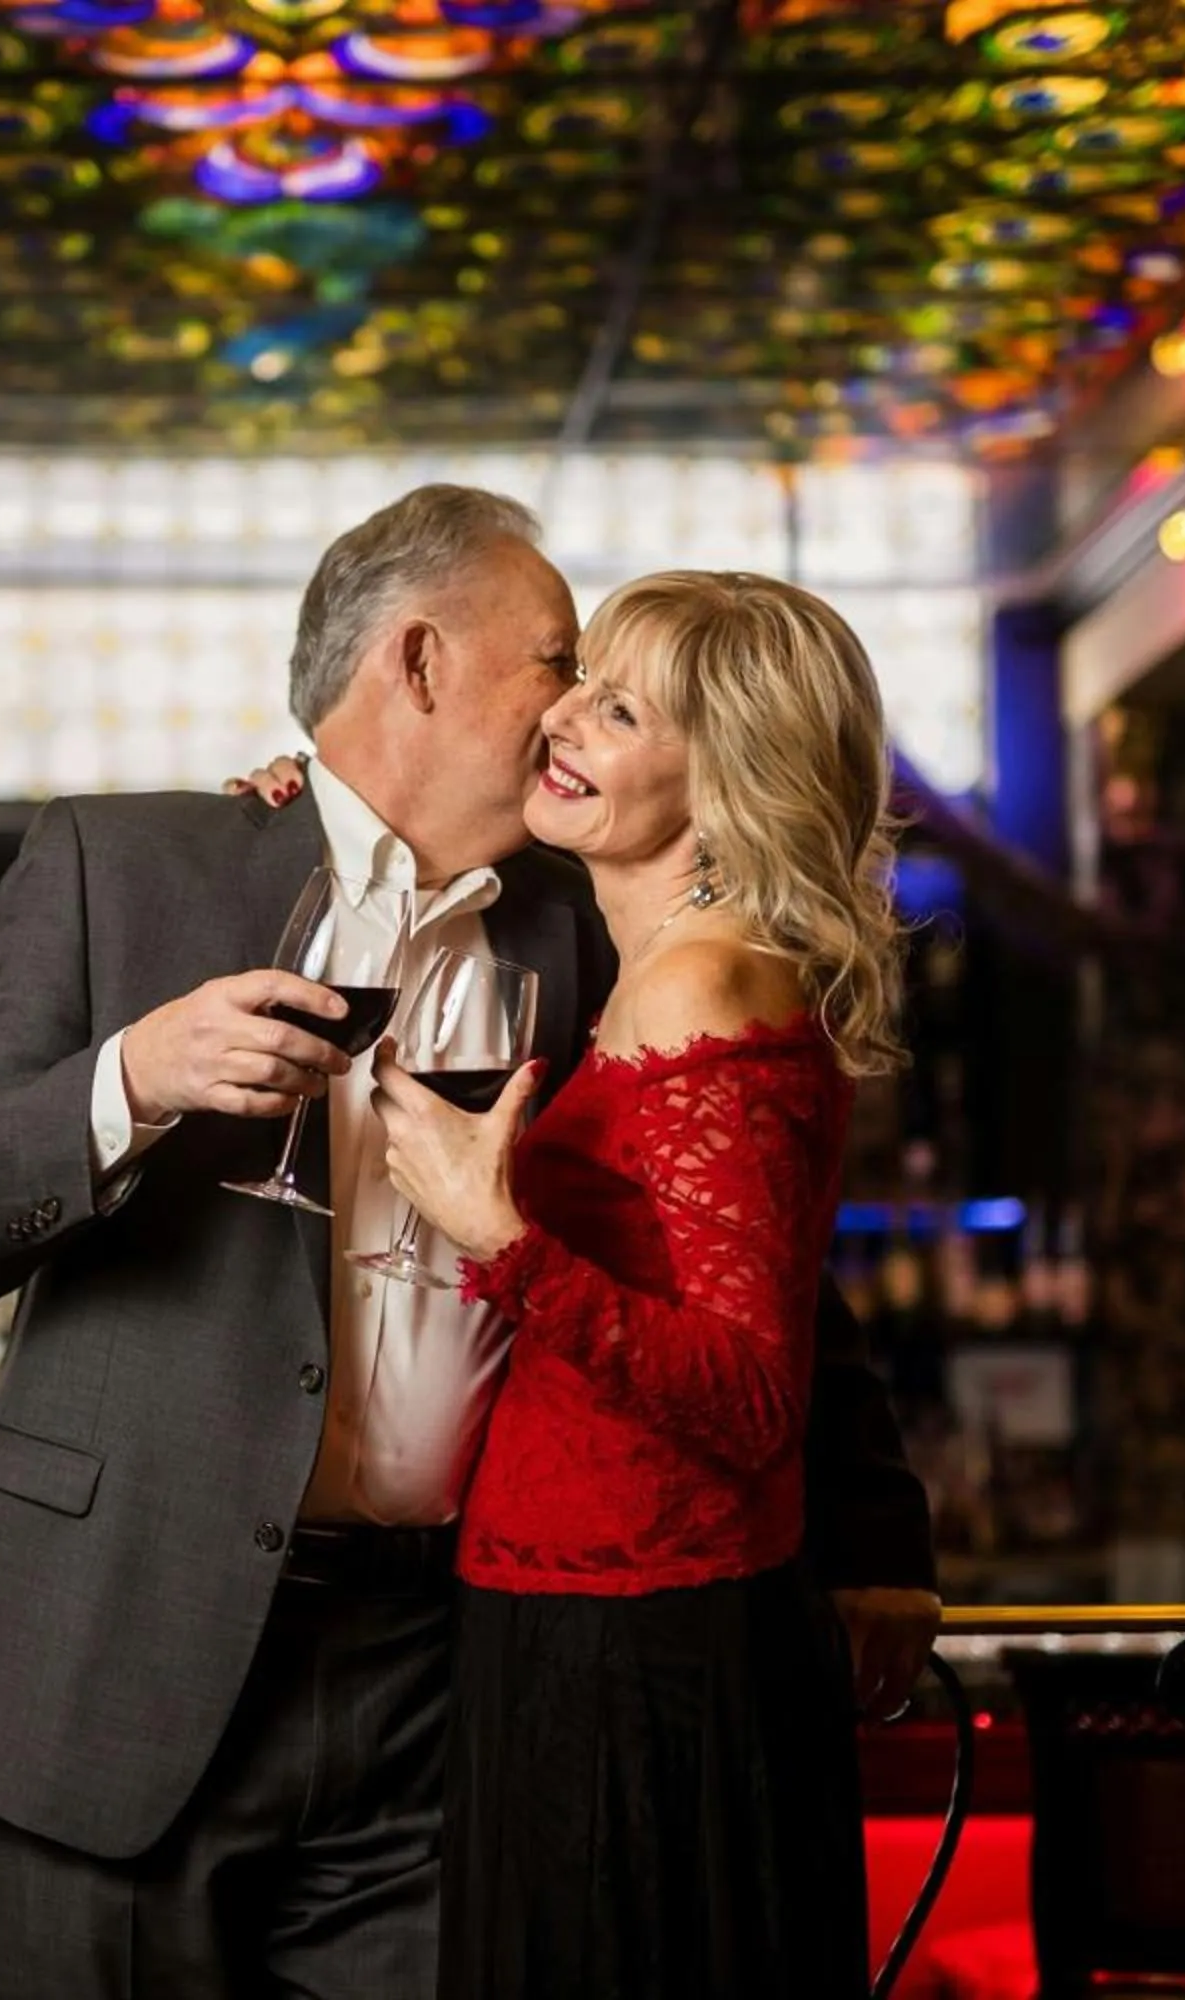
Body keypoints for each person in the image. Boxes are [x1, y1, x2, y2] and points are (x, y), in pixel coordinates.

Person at [0, 485, 609, 1996]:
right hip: (116, 1651)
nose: (576, 699)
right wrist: (129, 1080)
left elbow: (722, 1219)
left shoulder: (575, 926)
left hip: (439, 1679)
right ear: (418, 660)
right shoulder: (119, 864)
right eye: (553, 656)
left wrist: (872, 1535)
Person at [364, 570, 905, 1999]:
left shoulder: (703, 988)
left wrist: (502, 1238)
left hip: (638, 1651)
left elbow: (748, 1392)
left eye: (619, 708)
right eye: (580, 683)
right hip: (580, 1617)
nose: (563, 719)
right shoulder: (651, 971)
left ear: (729, 780)